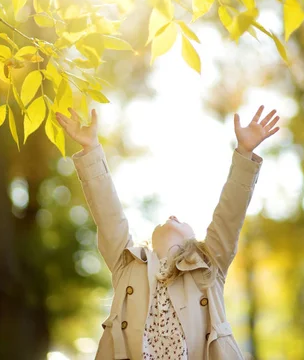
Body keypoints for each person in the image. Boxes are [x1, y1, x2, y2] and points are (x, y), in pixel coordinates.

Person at [56, 105, 280, 360]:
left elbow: (230, 214)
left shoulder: (209, 266)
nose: (172, 217)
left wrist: (244, 153)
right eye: (168, 219)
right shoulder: (127, 263)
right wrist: (91, 150)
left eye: (180, 221)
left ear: (194, 242)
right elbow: (108, 213)